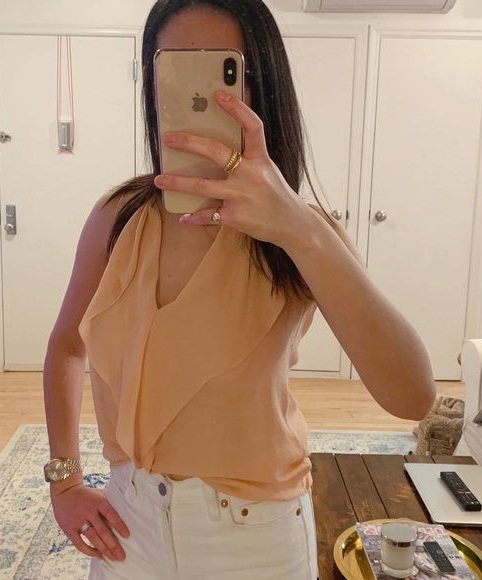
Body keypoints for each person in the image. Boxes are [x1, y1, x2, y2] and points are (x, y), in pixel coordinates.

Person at [43, 1, 437, 578]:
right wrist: (65, 481)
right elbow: (66, 347)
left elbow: (413, 397)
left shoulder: (301, 233)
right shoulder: (117, 218)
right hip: (130, 528)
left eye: (224, 71)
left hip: (256, 538)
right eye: (175, 68)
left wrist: (298, 227)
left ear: (262, 86)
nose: (201, 95)